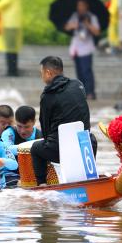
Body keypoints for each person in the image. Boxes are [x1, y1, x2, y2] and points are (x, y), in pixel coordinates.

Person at [31, 56, 97, 185]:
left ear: (48, 73)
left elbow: (46, 128)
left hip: (60, 149)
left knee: (35, 149)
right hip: (83, 147)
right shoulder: (78, 85)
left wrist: (48, 143)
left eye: (42, 73)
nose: (42, 77)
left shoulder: (47, 95)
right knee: (91, 138)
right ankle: (90, 179)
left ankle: (41, 186)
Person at [64, 0, 100, 100]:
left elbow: (97, 32)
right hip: (76, 48)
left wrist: (87, 24)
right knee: (79, 71)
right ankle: (82, 92)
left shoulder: (92, 17)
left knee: (87, 71)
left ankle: (90, 92)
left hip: (86, 48)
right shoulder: (75, 16)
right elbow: (67, 27)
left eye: (82, 5)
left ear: (86, 6)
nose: (80, 8)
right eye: (79, 5)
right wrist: (72, 25)